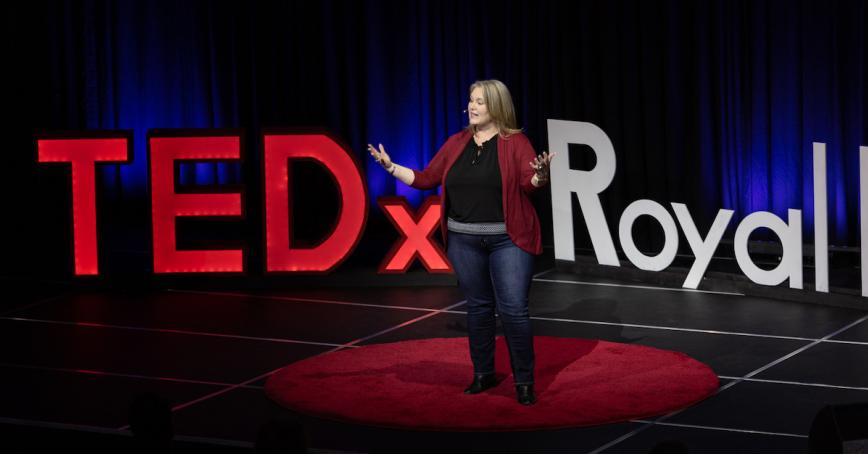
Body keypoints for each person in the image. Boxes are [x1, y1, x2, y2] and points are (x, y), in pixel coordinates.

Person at [368, 79, 554, 405]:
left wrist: (541, 175)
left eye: (480, 101)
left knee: (513, 310)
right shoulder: (456, 142)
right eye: (470, 100)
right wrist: (391, 167)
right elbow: (426, 178)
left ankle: (524, 381)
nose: (472, 106)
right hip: (464, 241)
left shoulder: (516, 142)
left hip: (507, 240)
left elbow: (529, 183)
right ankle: (483, 374)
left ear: (496, 106)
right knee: (479, 309)